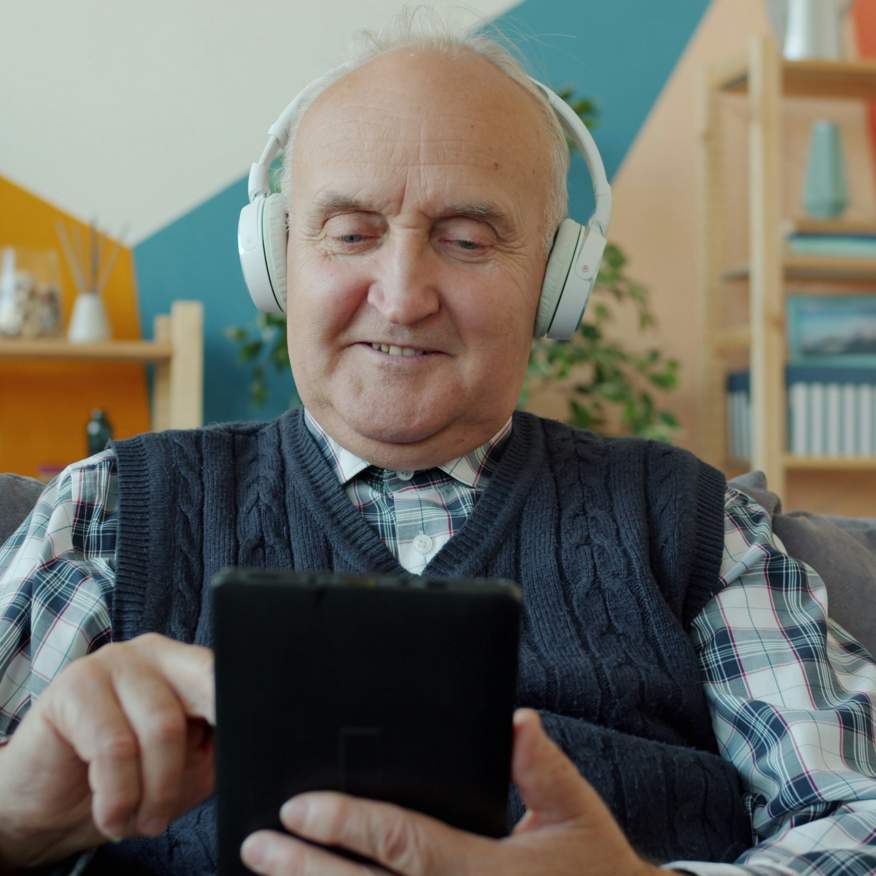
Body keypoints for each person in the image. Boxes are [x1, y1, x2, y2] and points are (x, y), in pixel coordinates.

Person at [1, 15, 876, 876]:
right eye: (351, 233)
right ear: (277, 259)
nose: (402, 295)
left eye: (466, 240)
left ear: (556, 282)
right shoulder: (108, 511)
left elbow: (854, 821)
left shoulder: (694, 528)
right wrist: (14, 821)